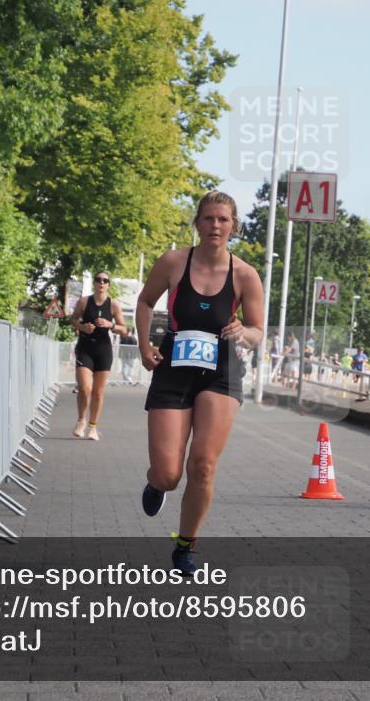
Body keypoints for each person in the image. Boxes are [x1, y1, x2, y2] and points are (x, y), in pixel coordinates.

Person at [135, 191, 264, 576]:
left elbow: (259, 330)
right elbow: (144, 302)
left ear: (233, 226)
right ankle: (156, 483)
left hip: (221, 370)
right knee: (168, 473)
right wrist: (144, 346)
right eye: (208, 218)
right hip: (174, 367)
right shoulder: (174, 262)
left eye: (223, 220)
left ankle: (185, 547)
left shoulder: (245, 275)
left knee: (204, 465)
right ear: (197, 223)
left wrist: (246, 331)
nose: (215, 226)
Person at [70, 271, 128, 440]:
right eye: (98, 280)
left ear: (109, 284)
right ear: (94, 283)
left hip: (103, 350)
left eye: (105, 280)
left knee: (97, 392)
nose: (101, 283)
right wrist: (82, 328)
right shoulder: (84, 302)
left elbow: (124, 329)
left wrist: (111, 324)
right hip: (85, 348)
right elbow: (73, 319)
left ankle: (93, 427)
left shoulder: (113, 305)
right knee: (84, 388)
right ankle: (81, 420)